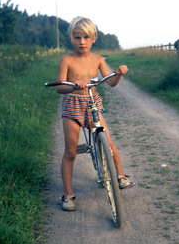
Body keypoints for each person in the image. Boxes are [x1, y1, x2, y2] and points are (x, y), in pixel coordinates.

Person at [56, 16, 131, 211]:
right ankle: (67, 194)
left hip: (92, 104)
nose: (82, 41)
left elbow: (110, 82)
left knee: (108, 141)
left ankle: (120, 176)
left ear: (94, 38)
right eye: (77, 37)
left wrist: (118, 74)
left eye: (86, 37)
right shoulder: (67, 59)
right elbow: (60, 87)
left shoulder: (97, 60)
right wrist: (72, 87)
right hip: (72, 106)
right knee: (71, 151)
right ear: (72, 38)